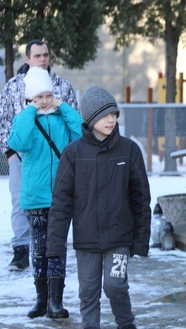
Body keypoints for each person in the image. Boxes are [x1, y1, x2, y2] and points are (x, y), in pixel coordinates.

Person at [46, 86, 151, 329]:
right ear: (90, 119)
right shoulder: (73, 153)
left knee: (115, 285)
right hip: (86, 239)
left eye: (114, 114)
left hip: (120, 238)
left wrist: (141, 240)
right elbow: (61, 203)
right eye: (105, 115)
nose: (111, 119)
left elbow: (141, 198)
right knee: (88, 292)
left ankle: (126, 325)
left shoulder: (129, 150)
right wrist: (55, 244)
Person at [7, 67, 82, 319]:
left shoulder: (61, 118)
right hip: (35, 198)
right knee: (38, 249)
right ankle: (41, 300)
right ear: (30, 98)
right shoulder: (24, 119)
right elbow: (18, 143)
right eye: (38, 96)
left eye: (48, 95)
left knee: (57, 248)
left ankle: (55, 302)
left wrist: (65, 107)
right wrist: (29, 110)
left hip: (61, 196)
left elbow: (80, 135)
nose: (45, 100)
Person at [0, 39, 78, 272]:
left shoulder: (62, 86)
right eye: (37, 56)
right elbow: (3, 119)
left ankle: (53, 252)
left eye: (45, 55)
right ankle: (21, 249)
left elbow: (73, 117)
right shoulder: (14, 86)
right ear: (27, 59)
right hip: (22, 156)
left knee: (55, 205)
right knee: (19, 203)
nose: (42, 59)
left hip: (55, 159)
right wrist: (11, 153)